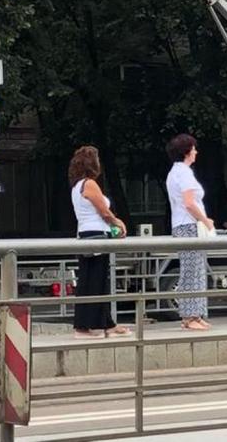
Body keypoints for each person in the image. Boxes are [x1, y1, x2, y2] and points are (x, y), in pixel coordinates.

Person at [68, 145, 129, 339]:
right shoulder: (90, 184)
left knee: (92, 280)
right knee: (95, 282)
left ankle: (105, 323)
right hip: (96, 235)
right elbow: (103, 211)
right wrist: (118, 222)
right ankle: (86, 326)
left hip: (86, 234)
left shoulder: (77, 186)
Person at [166, 133, 214, 331]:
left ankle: (195, 313)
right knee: (192, 271)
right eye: (193, 148)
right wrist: (205, 220)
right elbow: (189, 203)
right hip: (189, 225)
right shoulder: (184, 173)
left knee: (196, 270)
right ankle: (189, 315)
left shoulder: (176, 172)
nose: (196, 151)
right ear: (186, 151)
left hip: (183, 224)